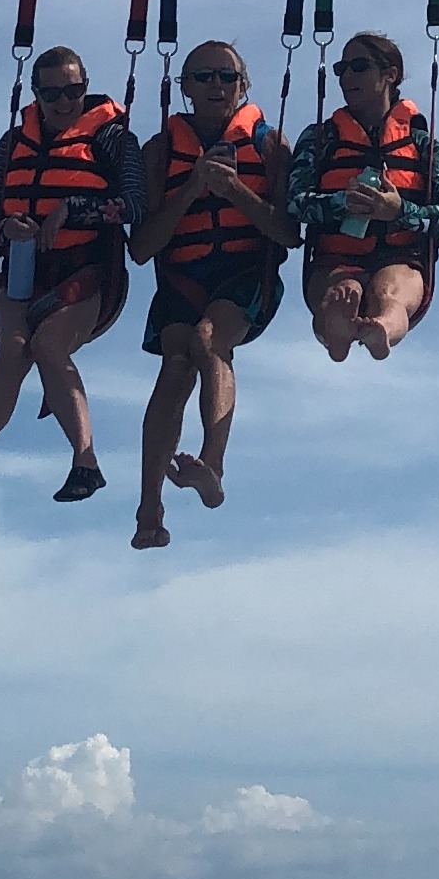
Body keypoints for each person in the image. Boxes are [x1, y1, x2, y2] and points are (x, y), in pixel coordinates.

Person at [0, 46, 143, 530]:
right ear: (36, 95)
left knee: (48, 345)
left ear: (85, 87)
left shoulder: (113, 138)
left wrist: (73, 209)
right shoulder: (13, 142)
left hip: (86, 267)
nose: (64, 102)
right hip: (23, 268)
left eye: (73, 91)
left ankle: (86, 462)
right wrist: (3, 228)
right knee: (13, 351)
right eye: (52, 94)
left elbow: (134, 203)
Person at [125, 42, 296, 550]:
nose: (216, 85)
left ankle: (212, 467)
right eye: (203, 77)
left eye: (226, 76)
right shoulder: (160, 152)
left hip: (246, 271)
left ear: (243, 86)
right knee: (176, 365)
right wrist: (191, 189)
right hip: (181, 273)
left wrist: (236, 191)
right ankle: (149, 506)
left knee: (207, 340)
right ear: (185, 88)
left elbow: (289, 234)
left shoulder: (270, 146)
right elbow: (141, 249)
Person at [288, 32, 439, 362]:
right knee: (342, 291)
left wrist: (399, 210)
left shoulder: (424, 145)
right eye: (341, 69)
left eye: (359, 67)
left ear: (390, 74)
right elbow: (295, 203)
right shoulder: (320, 139)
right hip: (335, 257)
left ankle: (381, 328)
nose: (347, 77)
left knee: (388, 294)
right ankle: (337, 328)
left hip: (401, 257)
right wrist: (342, 203)